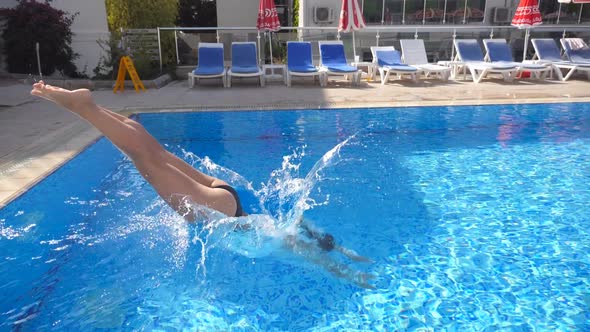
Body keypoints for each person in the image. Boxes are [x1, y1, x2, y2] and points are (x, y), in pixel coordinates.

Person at [31, 82, 375, 288]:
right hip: (221, 211)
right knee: (148, 161)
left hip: (226, 194)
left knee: (155, 151)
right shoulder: (290, 241)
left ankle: (87, 106)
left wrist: (344, 253)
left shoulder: (302, 224)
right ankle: (84, 107)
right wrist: (346, 274)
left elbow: (320, 244)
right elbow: (318, 259)